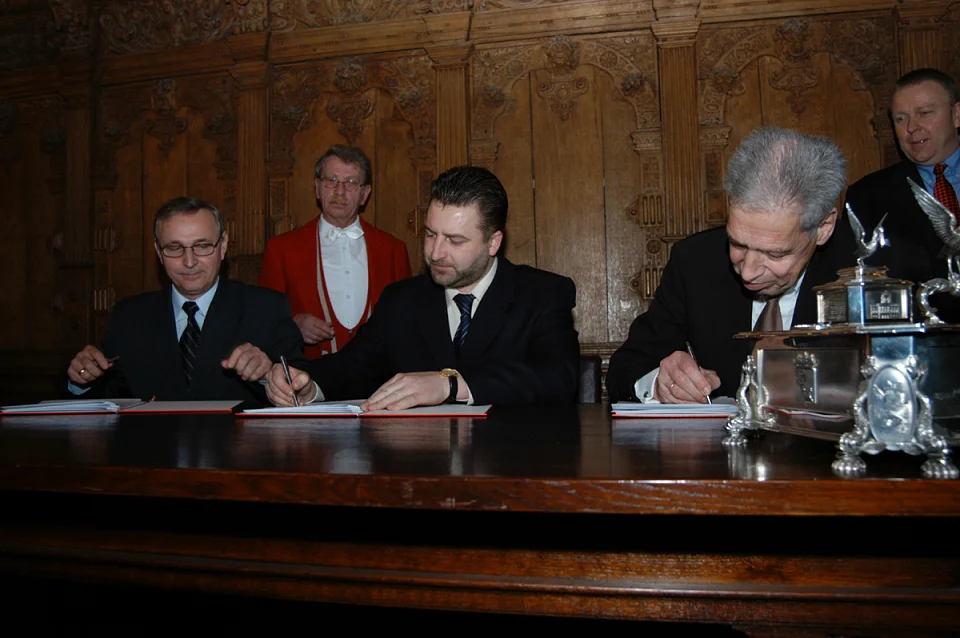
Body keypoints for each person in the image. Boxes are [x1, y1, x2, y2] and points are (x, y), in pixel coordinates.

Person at [265, 165, 580, 410]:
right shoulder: (402, 301)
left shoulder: (542, 294)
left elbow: (556, 379)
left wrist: (450, 385)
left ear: (493, 242)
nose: (436, 253)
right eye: (431, 234)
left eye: (455, 240)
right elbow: (351, 366)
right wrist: (308, 384)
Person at [606, 127, 856, 404]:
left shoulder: (872, 269)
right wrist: (661, 384)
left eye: (774, 254)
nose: (748, 272)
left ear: (823, 227)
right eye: (737, 244)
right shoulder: (696, 260)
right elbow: (625, 368)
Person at [66, 197, 304, 402]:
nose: (189, 262)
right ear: (159, 253)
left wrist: (267, 375)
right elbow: (107, 395)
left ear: (223, 247)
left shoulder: (266, 309)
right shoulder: (128, 317)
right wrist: (80, 379)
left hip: (240, 452)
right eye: (174, 248)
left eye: (202, 246)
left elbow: (300, 390)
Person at [259, 145, 412, 359]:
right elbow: (263, 322)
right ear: (317, 187)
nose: (339, 192)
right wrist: (293, 325)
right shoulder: (281, 249)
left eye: (350, 183)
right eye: (331, 180)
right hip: (308, 379)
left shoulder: (393, 250)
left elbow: (408, 322)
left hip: (379, 382)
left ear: (364, 194)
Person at [844, 68, 960, 319]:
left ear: (957, 115)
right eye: (900, 119)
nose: (912, 128)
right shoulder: (867, 197)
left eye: (925, 113)